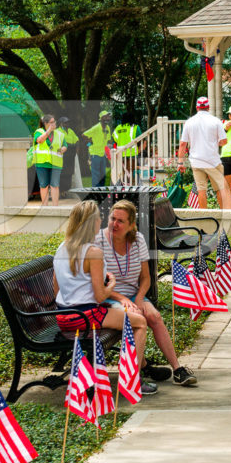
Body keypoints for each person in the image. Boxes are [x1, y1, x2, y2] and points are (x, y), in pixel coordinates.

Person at [52, 200, 156, 396]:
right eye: (100, 217)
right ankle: (132, 382)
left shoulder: (61, 248)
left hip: (63, 316)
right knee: (140, 322)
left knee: (128, 316)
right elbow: (100, 296)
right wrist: (112, 285)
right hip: (85, 316)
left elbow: (56, 287)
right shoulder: (94, 252)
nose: (102, 221)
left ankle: (134, 370)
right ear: (92, 223)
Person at [96, 200, 197, 386]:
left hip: (134, 295)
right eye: (112, 219)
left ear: (131, 225)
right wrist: (122, 298)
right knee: (135, 317)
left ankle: (177, 369)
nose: (114, 224)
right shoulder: (98, 241)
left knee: (154, 316)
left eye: (120, 221)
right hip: (108, 297)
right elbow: (95, 285)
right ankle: (135, 375)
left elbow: (146, 278)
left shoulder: (138, 240)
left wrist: (140, 298)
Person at [177, 96, 229, 210]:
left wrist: (180, 163)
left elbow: (182, 144)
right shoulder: (216, 121)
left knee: (201, 191)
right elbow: (224, 141)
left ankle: (204, 218)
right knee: (220, 189)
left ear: (197, 108)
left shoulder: (189, 122)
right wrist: (217, 143)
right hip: (213, 162)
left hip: (197, 162)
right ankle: (223, 216)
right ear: (208, 107)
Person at [33, 114, 66, 205]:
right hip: (42, 163)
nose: (54, 124)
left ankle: (55, 206)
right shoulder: (39, 131)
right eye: (51, 122)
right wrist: (48, 131)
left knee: (55, 185)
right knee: (44, 185)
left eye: (54, 122)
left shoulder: (59, 133)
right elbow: (39, 140)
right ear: (45, 123)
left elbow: (64, 145)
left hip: (56, 163)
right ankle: (45, 207)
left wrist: (63, 148)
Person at [83, 111, 114, 187]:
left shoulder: (108, 128)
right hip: (94, 153)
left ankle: (101, 190)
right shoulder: (96, 127)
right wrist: (90, 141)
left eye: (108, 117)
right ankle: (95, 190)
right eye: (106, 116)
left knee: (102, 173)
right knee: (95, 173)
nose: (108, 118)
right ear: (101, 118)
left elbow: (109, 140)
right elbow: (84, 134)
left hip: (102, 153)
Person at [113, 119, 144, 184]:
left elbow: (114, 138)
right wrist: (139, 149)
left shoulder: (118, 127)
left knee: (122, 172)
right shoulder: (135, 127)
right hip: (132, 153)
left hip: (120, 153)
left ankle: (123, 186)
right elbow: (141, 138)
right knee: (130, 171)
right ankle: (130, 186)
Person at [57, 117, 79, 194]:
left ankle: (66, 189)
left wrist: (76, 147)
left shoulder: (70, 131)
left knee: (69, 172)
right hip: (63, 154)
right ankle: (61, 190)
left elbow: (76, 140)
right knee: (62, 173)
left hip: (71, 154)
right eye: (65, 123)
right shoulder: (57, 131)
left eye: (68, 122)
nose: (67, 124)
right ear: (60, 123)